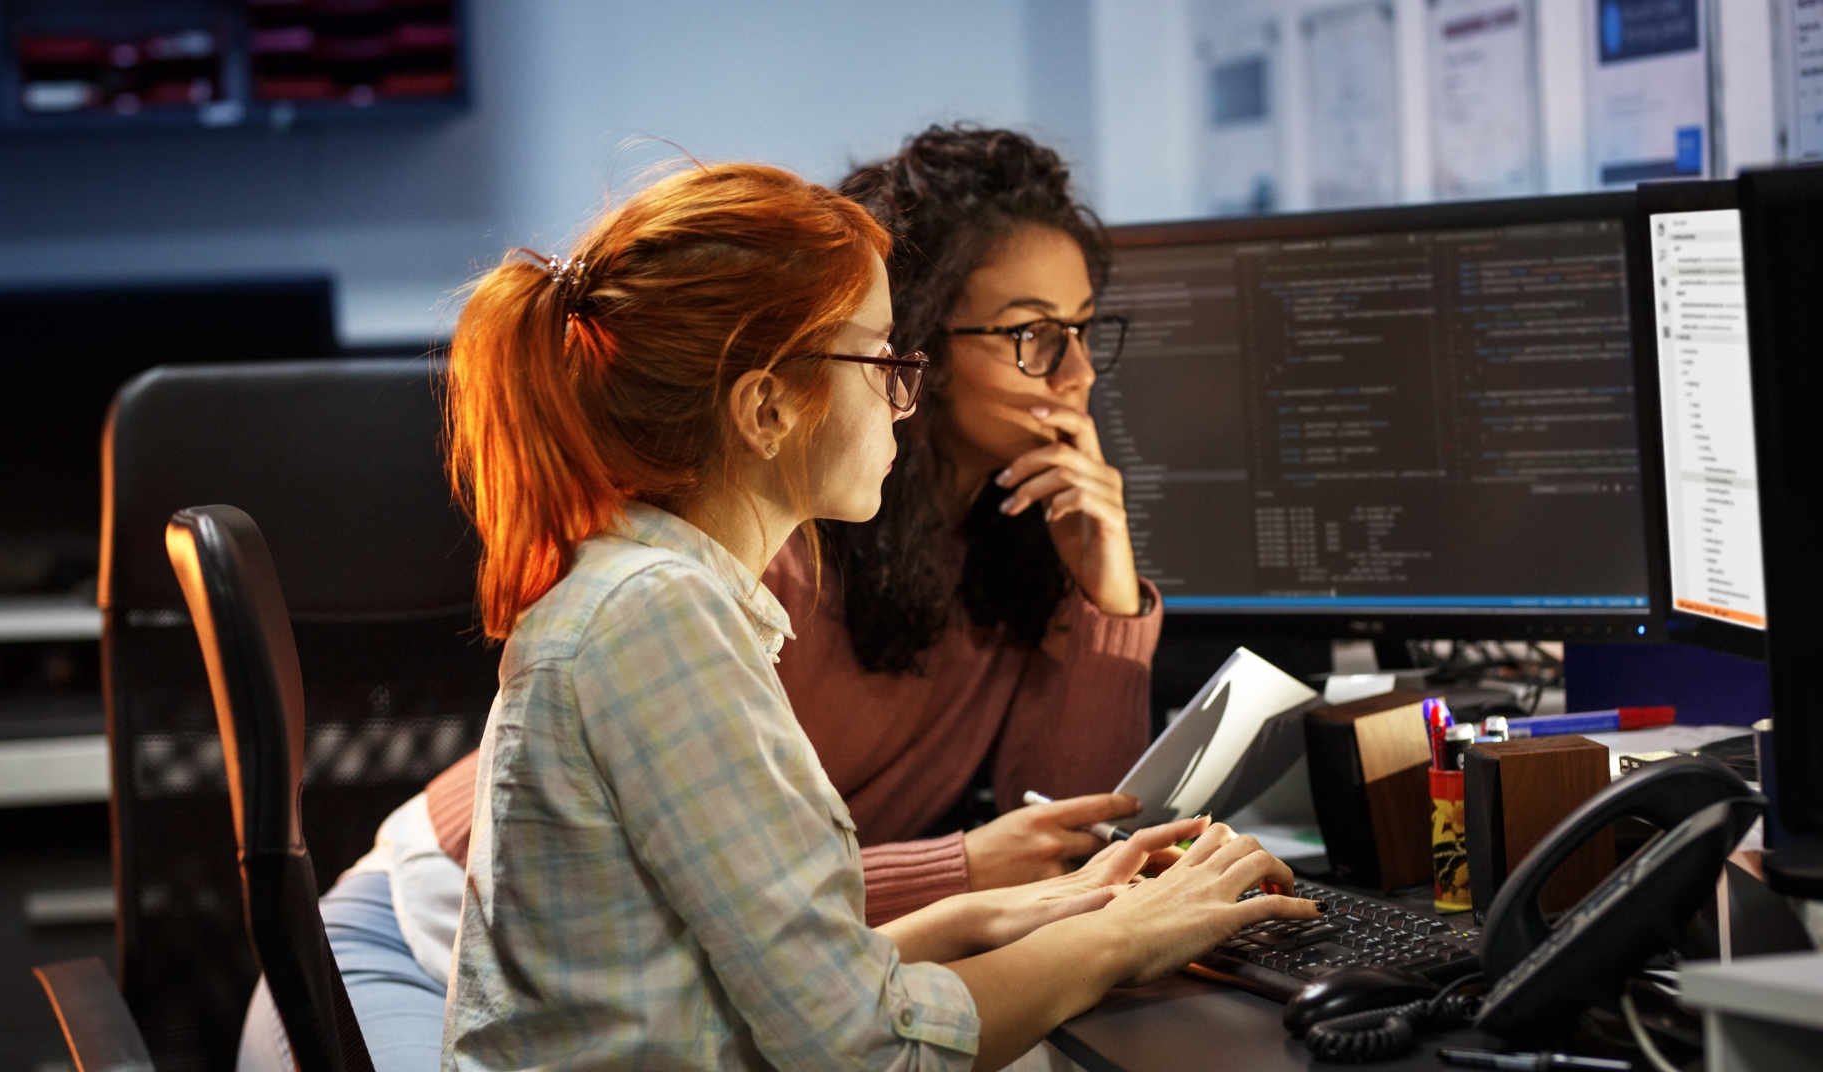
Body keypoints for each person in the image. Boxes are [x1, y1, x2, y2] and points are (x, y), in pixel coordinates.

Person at [237, 127, 1175, 1071]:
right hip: (409, 940)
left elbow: (1062, 829)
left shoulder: (710, 573)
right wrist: (1023, 904)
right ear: (771, 407)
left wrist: (1106, 599)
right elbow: (828, 1004)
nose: (1079, 374)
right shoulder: (691, 595)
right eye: (889, 358)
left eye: (1083, 331)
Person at [428, 160, 1316, 1071]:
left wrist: (1000, 912)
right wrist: (1126, 939)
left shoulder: (667, 594)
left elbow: (729, 971)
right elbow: (866, 1048)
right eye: (885, 358)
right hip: (410, 917)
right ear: (767, 408)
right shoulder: (662, 617)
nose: (906, 394)